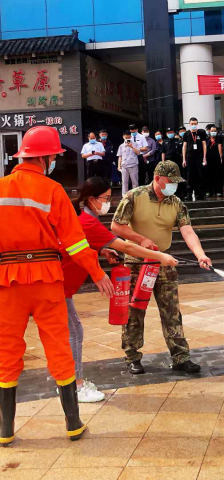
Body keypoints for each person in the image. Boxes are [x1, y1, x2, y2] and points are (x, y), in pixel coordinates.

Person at [0, 126, 114, 446]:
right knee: (59, 349)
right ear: (47, 157)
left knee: (6, 353)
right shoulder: (53, 191)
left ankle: (5, 431)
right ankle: (73, 425)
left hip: (7, 282)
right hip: (47, 280)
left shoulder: (0, 188)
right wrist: (97, 273)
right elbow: (75, 244)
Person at [64, 177, 178, 402]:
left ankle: (71, 382)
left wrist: (101, 252)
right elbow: (125, 246)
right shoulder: (89, 222)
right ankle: (74, 386)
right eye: (105, 199)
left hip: (62, 286)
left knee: (73, 331)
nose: (108, 203)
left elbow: (78, 247)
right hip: (58, 286)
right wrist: (160, 256)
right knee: (74, 332)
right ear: (90, 199)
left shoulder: (84, 219)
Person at [111, 161, 212, 375]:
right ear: (157, 179)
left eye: (176, 182)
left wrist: (200, 255)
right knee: (134, 311)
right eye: (170, 181)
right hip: (136, 263)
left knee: (171, 311)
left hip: (164, 263)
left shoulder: (175, 202)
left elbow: (187, 231)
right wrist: (141, 240)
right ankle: (132, 356)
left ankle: (180, 356)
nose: (174, 185)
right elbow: (116, 225)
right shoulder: (134, 196)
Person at [182, 117, 208, 201]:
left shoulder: (201, 132)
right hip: (190, 158)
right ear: (189, 124)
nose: (193, 125)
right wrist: (184, 159)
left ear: (197, 124)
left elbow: (204, 145)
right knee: (190, 176)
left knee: (200, 175)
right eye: (192, 124)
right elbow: (184, 146)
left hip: (199, 157)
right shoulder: (186, 134)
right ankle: (189, 194)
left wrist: (204, 157)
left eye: (195, 124)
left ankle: (200, 194)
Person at [117, 130, 142, 195]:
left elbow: (138, 153)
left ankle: (135, 196)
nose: (127, 139)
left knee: (135, 182)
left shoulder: (135, 144)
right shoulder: (121, 146)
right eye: (126, 137)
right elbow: (120, 156)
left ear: (131, 136)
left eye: (128, 137)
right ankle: (124, 196)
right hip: (124, 166)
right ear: (123, 137)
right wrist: (119, 166)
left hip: (133, 165)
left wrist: (132, 147)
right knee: (124, 182)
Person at [205, 125, 223, 197]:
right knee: (209, 176)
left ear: (217, 132)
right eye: (212, 131)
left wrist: (221, 158)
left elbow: (220, 149)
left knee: (218, 176)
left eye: (214, 131)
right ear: (209, 131)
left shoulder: (219, 139)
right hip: (208, 159)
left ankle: (218, 191)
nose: (213, 132)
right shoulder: (206, 139)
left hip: (217, 159)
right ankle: (209, 191)